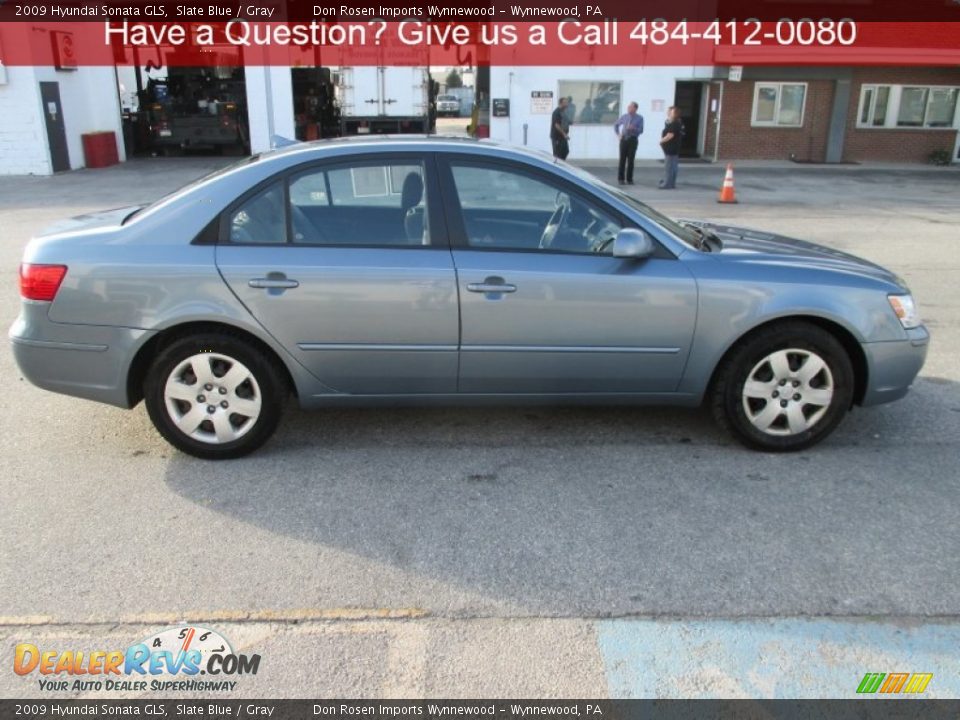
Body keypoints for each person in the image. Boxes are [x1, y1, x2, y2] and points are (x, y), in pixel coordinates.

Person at [613, 102, 644, 185]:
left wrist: (634, 128)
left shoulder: (640, 118)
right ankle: (621, 179)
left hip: (633, 140)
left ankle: (629, 179)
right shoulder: (624, 116)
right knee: (622, 159)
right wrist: (618, 134)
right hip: (624, 139)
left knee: (631, 160)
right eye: (628, 107)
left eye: (631, 107)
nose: (629, 108)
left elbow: (641, 130)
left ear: (635, 108)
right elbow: (616, 125)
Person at [658, 106, 684, 189]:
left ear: (675, 114)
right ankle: (671, 183)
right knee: (673, 166)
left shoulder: (674, 123)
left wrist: (661, 141)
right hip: (673, 148)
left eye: (671, 112)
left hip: (671, 148)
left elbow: (670, 135)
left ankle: (668, 184)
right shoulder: (674, 122)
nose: (669, 113)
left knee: (669, 166)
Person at [551, 96, 570, 160]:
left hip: (562, 137)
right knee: (558, 154)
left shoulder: (563, 112)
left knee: (565, 151)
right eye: (565, 103)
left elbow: (564, 121)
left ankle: (562, 165)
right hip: (557, 137)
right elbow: (557, 125)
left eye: (567, 102)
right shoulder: (556, 112)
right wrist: (564, 134)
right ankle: (557, 168)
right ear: (561, 103)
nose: (567, 104)